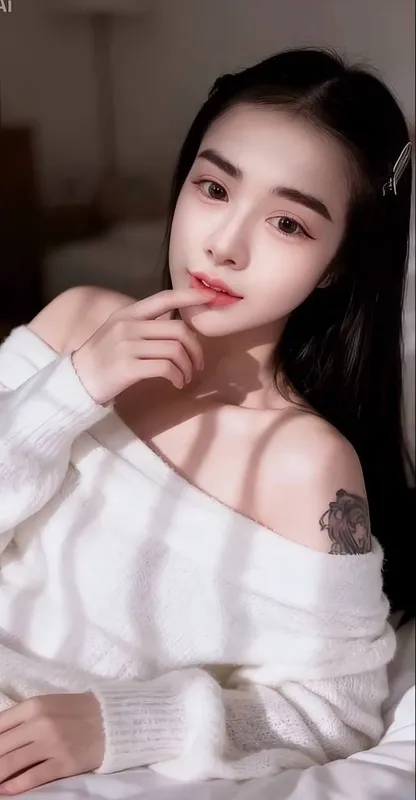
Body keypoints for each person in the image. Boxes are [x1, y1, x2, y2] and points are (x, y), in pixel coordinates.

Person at [0, 47, 413, 795]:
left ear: (337, 264)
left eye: (287, 222)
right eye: (214, 187)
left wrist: (118, 724)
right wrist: (73, 389)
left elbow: (335, 715)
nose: (224, 243)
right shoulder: (76, 324)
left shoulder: (307, 465)